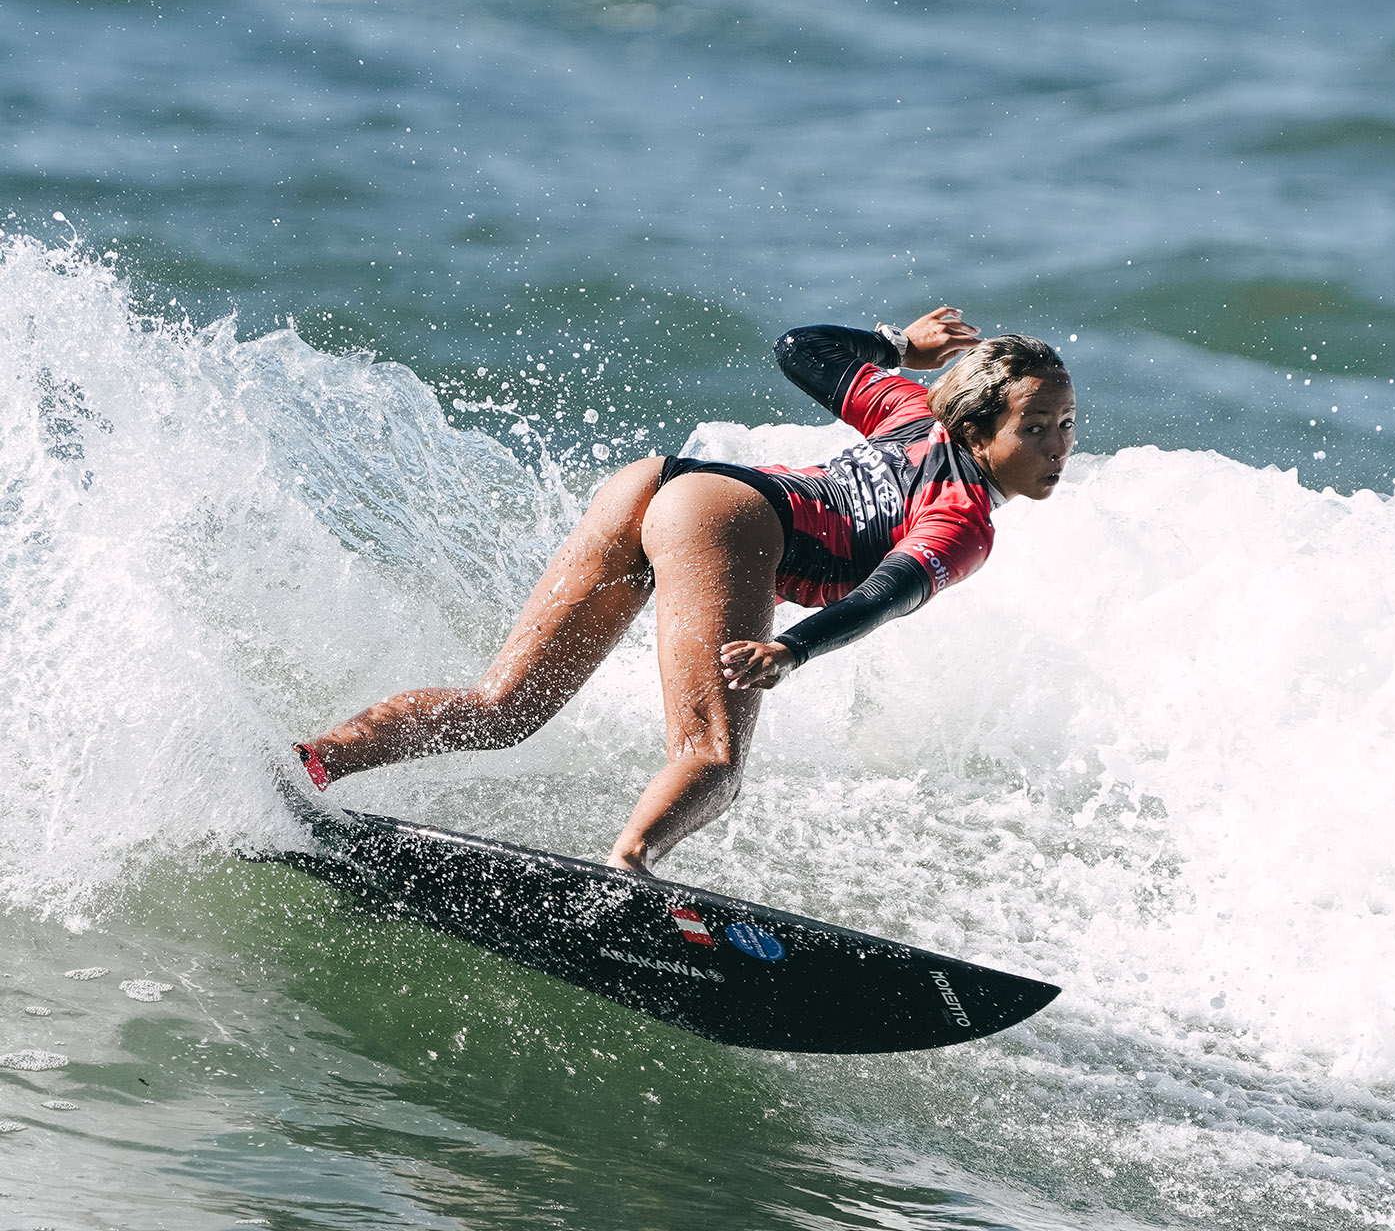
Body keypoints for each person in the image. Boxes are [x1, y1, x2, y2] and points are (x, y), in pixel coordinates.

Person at [295, 307, 1075, 873]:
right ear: (976, 431)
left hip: (652, 484)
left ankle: (309, 765)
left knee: (501, 710)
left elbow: (801, 348)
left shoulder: (907, 410)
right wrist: (793, 650)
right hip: (728, 515)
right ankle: (626, 875)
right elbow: (885, 593)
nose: (1057, 447)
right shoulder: (963, 519)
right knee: (713, 759)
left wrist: (898, 347)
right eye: (1035, 426)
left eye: (1066, 424)